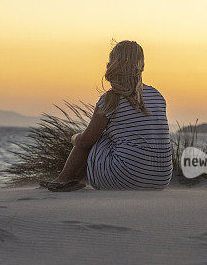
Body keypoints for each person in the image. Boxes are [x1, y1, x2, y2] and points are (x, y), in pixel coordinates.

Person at [42, 40, 173, 192]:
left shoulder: (111, 98)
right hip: (161, 180)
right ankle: (71, 181)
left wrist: (75, 138)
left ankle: (63, 180)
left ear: (113, 64)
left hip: (126, 178)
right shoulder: (158, 96)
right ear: (142, 66)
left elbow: (85, 142)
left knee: (98, 137)